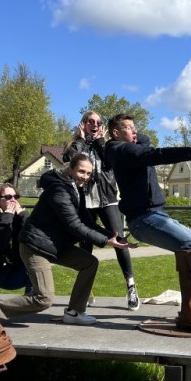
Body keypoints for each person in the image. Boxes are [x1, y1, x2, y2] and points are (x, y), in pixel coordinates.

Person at [0, 153, 129, 326]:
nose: (85, 177)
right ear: (70, 169)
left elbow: (87, 222)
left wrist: (117, 238)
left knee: (89, 263)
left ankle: (74, 312)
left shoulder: (76, 189)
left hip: (54, 245)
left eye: (89, 173)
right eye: (81, 172)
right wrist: (105, 242)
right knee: (43, 299)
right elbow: (74, 225)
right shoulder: (58, 190)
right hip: (35, 246)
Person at [104, 114, 191, 253]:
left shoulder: (133, 149)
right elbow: (159, 154)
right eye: (128, 128)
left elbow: (145, 140)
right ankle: (188, 274)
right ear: (116, 133)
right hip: (142, 220)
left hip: (155, 215)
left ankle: (188, 274)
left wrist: (131, 132)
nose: (135, 131)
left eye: (135, 127)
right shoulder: (123, 151)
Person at [64, 110, 139, 310]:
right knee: (85, 247)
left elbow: (110, 162)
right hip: (84, 202)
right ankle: (85, 290)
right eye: (91, 121)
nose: (95, 125)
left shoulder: (107, 146)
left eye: (98, 122)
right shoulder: (75, 145)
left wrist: (100, 142)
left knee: (120, 241)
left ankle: (131, 286)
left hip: (107, 200)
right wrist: (80, 141)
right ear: (83, 124)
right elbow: (69, 161)